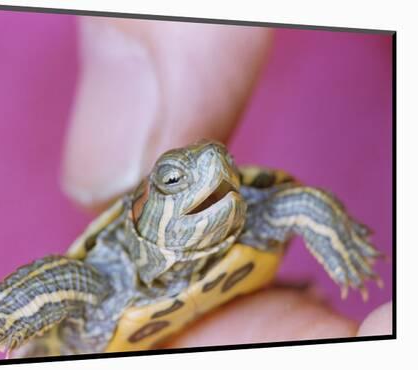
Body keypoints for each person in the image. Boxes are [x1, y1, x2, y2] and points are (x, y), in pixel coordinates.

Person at [59, 17, 392, 347]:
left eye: (225, 165)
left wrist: (345, 251)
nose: (215, 169)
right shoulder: (108, 276)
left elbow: (302, 203)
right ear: (140, 217)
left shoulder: (256, 214)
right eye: (174, 179)